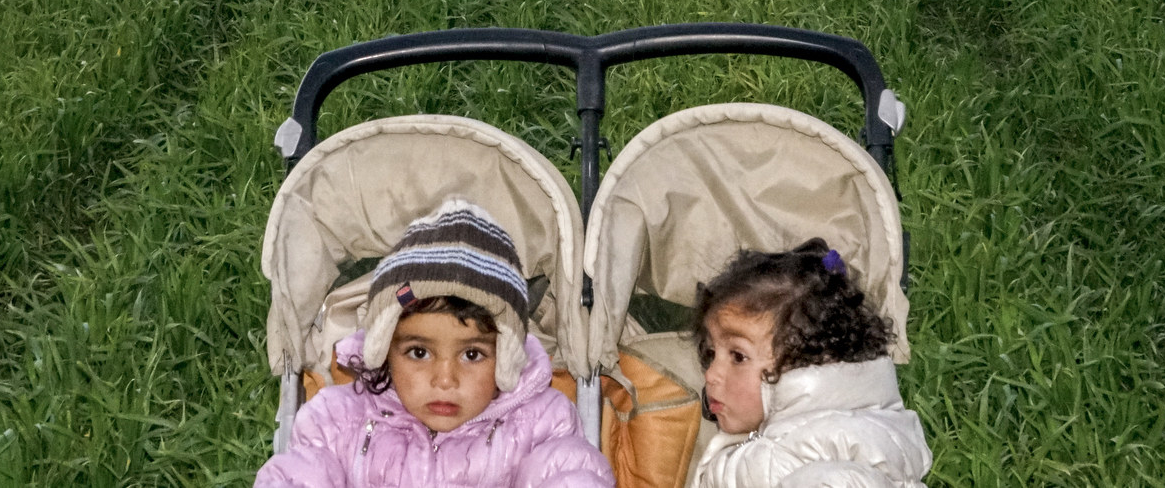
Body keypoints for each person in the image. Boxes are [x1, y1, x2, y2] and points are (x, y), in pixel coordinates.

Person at [257, 200, 611, 488]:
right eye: (419, 352)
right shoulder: (337, 421)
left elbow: (568, 473)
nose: (445, 379)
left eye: (472, 354)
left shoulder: (539, 424)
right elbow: (302, 475)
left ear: (505, 356)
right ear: (385, 349)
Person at [690, 240, 930, 488]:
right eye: (710, 353)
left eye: (738, 356)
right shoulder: (791, 446)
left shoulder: (816, 466)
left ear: (805, 364)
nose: (711, 374)